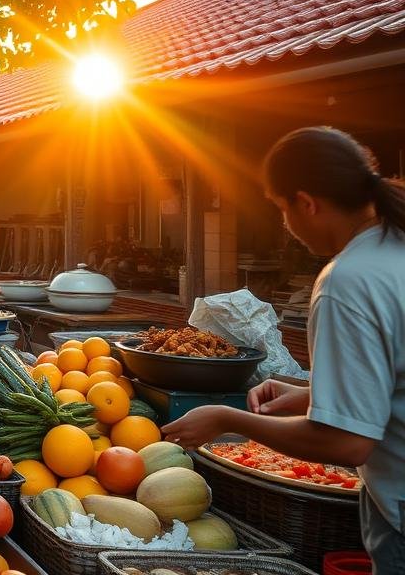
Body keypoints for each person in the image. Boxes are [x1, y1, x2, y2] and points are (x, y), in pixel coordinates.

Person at [161, 127, 405, 571]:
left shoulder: (349, 281)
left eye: (280, 209)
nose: (286, 226)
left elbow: (349, 442)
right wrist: (316, 396)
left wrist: (229, 419)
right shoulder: (395, 247)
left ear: (307, 203)